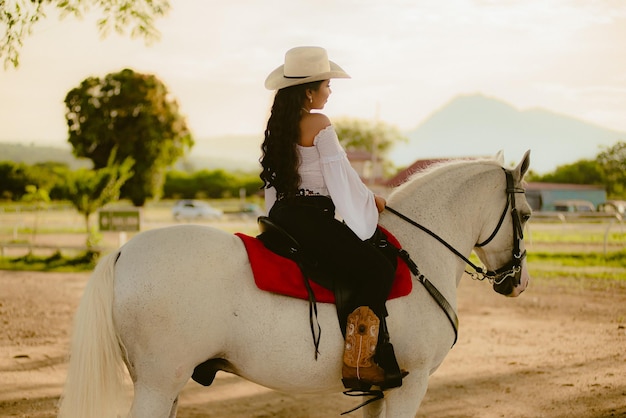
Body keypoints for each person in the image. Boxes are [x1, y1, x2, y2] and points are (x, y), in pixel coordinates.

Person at [260, 46, 406, 391]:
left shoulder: (279, 127)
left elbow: (272, 183)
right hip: (310, 219)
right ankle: (359, 361)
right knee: (378, 268)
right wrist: (370, 203)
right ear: (309, 90)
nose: (330, 90)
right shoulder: (318, 122)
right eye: (326, 84)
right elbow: (340, 177)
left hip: (285, 215)